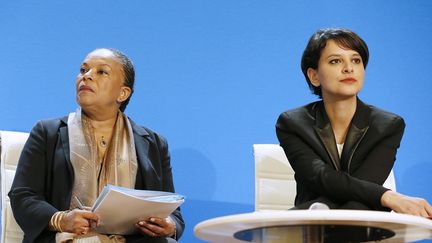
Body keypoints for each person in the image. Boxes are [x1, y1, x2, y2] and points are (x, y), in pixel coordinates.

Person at [9, 48, 184, 243]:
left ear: (123, 93)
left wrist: (169, 226)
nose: (87, 76)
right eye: (83, 70)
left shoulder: (153, 143)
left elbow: (173, 212)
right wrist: (61, 220)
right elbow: (23, 196)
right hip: (66, 238)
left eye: (102, 71)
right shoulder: (47, 132)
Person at [276, 28, 432, 217]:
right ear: (314, 76)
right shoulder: (293, 123)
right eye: (335, 61)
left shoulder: (387, 126)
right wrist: (389, 197)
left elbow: (366, 184)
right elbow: (321, 178)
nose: (349, 68)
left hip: (358, 223)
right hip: (311, 227)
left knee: (356, 207)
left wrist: (322, 208)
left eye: (356, 60)